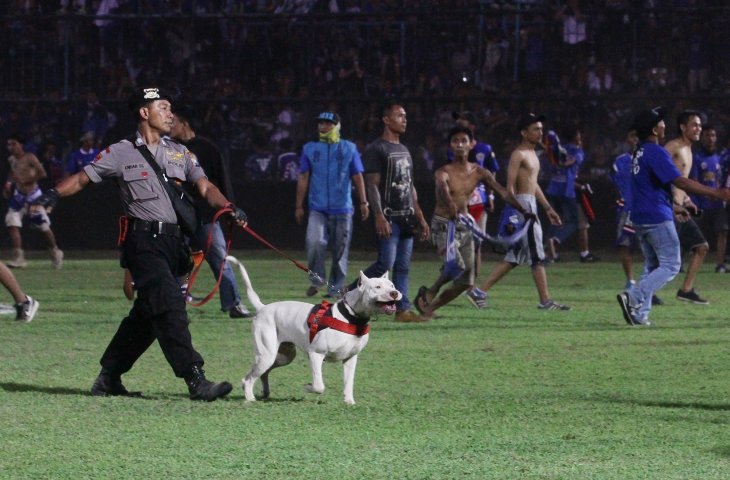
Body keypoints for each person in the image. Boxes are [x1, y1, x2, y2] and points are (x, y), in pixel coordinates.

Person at [33, 87, 248, 401]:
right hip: (143, 241)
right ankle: (195, 378)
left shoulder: (180, 152)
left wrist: (227, 206)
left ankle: (109, 377)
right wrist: (52, 194)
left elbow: (205, 185)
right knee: (170, 303)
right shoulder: (120, 152)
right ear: (144, 112)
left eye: (171, 107)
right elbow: (81, 178)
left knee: (147, 315)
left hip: (176, 244)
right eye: (163, 106)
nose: (170, 112)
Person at [616, 107, 730, 326]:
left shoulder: (640, 152)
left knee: (653, 265)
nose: (664, 125)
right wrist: (716, 193)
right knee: (671, 265)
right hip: (656, 215)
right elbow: (681, 181)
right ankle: (633, 297)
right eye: (660, 122)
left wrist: (678, 204)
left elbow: (651, 184)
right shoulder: (656, 151)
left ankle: (640, 314)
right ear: (653, 129)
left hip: (642, 215)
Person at [415, 126, 530, 320]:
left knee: (466, 281)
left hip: (464, 225)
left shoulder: (479, 172)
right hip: (444, 225)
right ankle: (429, 292)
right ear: (450, 146)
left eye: (463, 141)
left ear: (472, 144)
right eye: (455, 141)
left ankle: (429, 309)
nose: (459, 145)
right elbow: (442, 188)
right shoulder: (443, 171)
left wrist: (523, 210)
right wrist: (451, 204)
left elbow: (502, 191)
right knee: (456, 266)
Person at [476, 114, 569, 311]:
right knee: (536, 255)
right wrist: (519, 211)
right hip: (522, 206)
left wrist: (548, 208)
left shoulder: (533, 154)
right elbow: (509, 189)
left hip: (530, 204)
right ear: (524, 133)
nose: (540, 132)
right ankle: (545, 301)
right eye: (536, 129)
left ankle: (479, 292)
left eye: (541, 129)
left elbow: (533, 186)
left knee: (515, 256)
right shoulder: (519, 154)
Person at [170, 104, 252, 318]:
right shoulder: (169, 149)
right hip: (178, 214)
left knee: (219, 258)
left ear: (184, 124)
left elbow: (222, 182)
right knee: (176, 259)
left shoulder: (208, 149)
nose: (169, 127)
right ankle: (175, 302)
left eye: (173, 123)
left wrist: (230, 210)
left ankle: (233, 304)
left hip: (206, 214)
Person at [355, 99, 430, 323]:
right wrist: (378, 215)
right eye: (399, 116)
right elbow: (372, 185)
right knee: (384, 263)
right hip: (389, 217)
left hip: (406, 218)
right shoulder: (377, 149)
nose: (404, 120)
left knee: (403, 266)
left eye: (405, 116)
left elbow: (410, 186)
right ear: (386, 120)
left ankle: (403, 310)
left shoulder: (405, 149)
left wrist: (421, 216)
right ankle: (350, 293)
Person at [296, 111, 369, 298]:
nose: (323, 127)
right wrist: (298, 205)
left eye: (328, 123)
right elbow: (303, 176)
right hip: (317, 207)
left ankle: (335, 287)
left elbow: (357, 176)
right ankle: (317, 280)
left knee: (340, 250)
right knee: (314, 242)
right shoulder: (310, 148)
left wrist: (363, 201)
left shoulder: (349, 148)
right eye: (321, 123)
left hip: (342, 207)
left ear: (337, 126)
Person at [449, 111, 500, 302]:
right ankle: (461, 280)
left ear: (472, 128)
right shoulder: (453, 149)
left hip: (479, 200)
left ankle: (472, 285)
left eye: (464, 126)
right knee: (459, 243)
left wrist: (492, 195)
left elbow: (491, 174)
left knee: (477, 244)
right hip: (460, 202)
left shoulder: (485, 149)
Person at [611, 129, 663, 306]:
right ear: (628, 138)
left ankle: (647, 288)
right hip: (627, 209)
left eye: (637, 136)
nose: (635, 139)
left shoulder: (649, 158)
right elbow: (617, 184)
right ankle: (631, 281)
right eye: (632, 136)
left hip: (647, 208)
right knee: (625, 245)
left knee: (649, 248)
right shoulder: (620, 161)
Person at [664, 110, 709, 304]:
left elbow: (680, 181)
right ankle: (641, 293)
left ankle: (686, 290)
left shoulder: (689, 150)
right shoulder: (673, 146)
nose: (698, 128)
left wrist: (687, 200)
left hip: (681, 210)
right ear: (683, 127)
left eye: (699, 125)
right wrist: (673, 203)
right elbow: (658, 173)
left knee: (701, 248)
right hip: (670, 210)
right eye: (694, 125)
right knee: (665, 259)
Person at [3, 134, 64, 269]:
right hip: (18, 196)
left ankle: (55, 251)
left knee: (43, 226)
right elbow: (13, 173)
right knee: (12, 223)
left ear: (20, 145)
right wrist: (8, 183)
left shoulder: (30, 157)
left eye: (13, 144)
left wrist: (28, 180)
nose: (10, 147)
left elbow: (42, 173)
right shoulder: (12, 159)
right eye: (9, 145)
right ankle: (19, 257)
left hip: (33, 196)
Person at [690, 125, 728, 273]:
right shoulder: (697, 157)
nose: (710, 139)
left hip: (719, 203)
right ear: (702, 138)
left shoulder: (721, 158)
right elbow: (693, 181)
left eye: (712, 135)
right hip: (701, 203)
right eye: (707, 135)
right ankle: (688, 263)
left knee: (722, 231)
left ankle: (720, 264)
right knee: (696, 235)